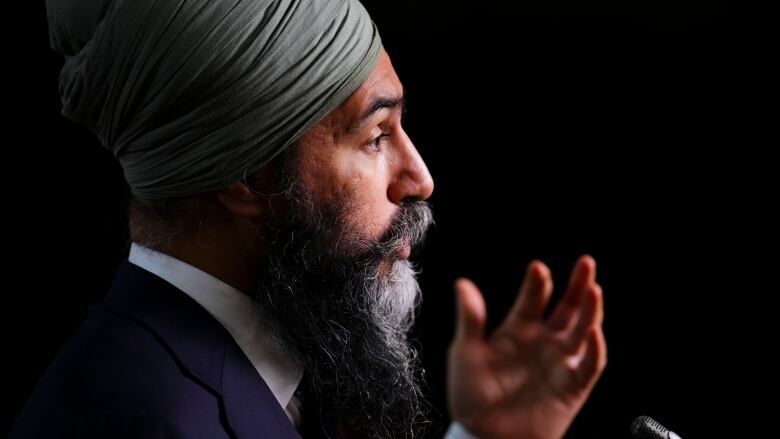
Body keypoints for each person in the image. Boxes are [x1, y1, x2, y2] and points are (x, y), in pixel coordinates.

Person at [12, 0, 606, 437]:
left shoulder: (285, 346)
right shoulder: (133, 420)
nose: (420, 179)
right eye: (376, 137)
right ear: (244, 176)